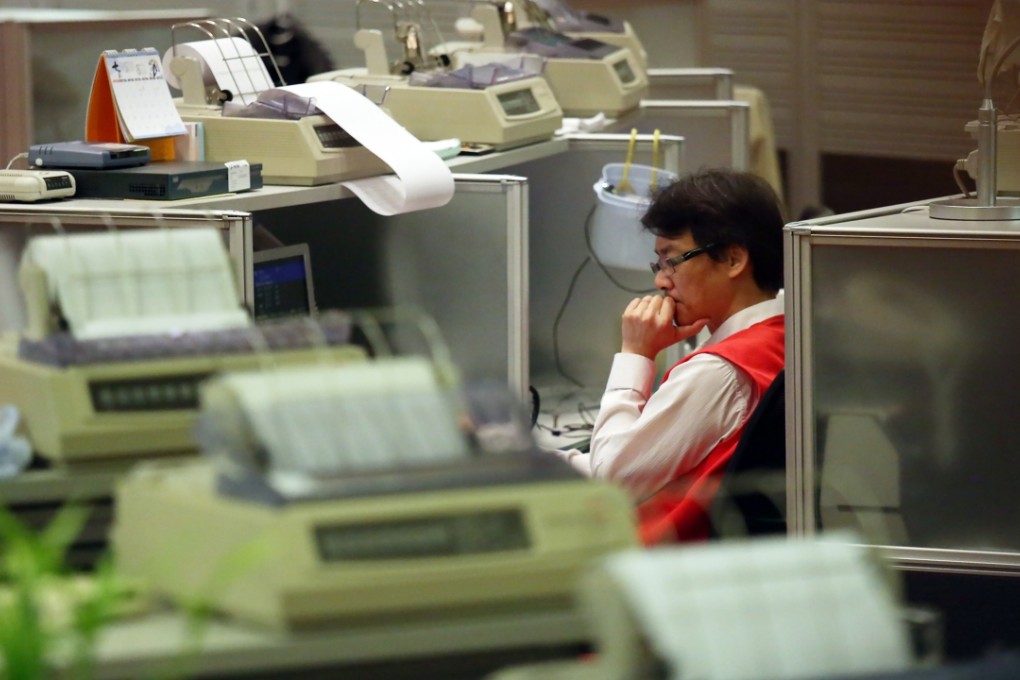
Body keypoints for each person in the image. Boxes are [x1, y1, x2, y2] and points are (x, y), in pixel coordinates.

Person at [554, 167, 785, 545]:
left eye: (672, 261)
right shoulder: (787, 333)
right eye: (658, 265)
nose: (661, 282)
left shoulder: (719, 372)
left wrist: (636, 353)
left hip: (653, 563)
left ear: (733, 260)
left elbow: (615, 480)